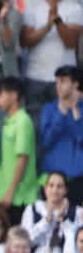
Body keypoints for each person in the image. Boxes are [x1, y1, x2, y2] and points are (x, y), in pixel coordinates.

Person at [19, 0, 81, 108]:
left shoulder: (75, 9)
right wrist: (47, 27)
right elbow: (25, 41)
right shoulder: (31, 9)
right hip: (35, 78)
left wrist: (57, 20)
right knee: (36, 124)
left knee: (64, 123)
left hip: (64, 79)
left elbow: (71, 42)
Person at [0, 77, 37, 221]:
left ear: (14, 95)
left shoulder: (23, 121)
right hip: (4, 192)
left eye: (0, 94)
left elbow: (23, 159)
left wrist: (10, 191)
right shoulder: (7, 121)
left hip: (18, 196)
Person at [40, 66, 83, 206]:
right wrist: (61, 114)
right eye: (57, 81)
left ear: (75, 84)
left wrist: (76, 115)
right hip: (52, 179)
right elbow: (46, 141)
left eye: (63, 81)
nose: (58, 85)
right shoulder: (49, 108)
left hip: (77, 178)